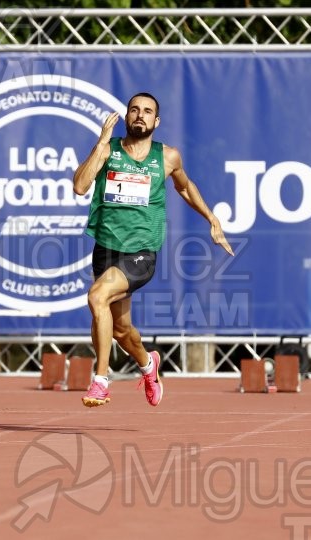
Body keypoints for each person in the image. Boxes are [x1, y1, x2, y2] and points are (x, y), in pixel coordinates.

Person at [72, 92, 234, 408]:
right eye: (134, 110)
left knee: (96, 297)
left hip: (141, 254)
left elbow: (185, 187)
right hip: (105, 249)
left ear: (156, 121)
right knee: (121, 330)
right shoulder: (108, 150)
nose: (140, 115)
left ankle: (101, 381)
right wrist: (100, 144)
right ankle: (148, 364)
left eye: (147, 111)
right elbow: (80, 186)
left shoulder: (168, 157)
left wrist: (212, 219)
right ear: (128, 117)